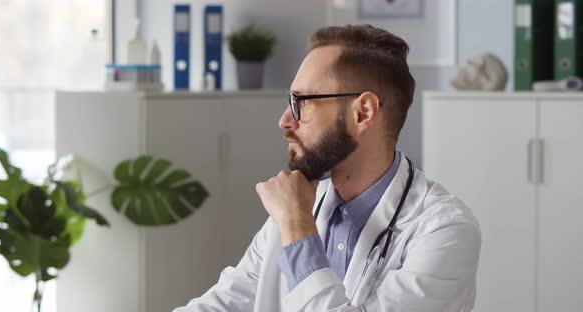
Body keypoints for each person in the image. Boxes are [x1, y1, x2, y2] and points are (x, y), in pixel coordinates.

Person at [173, 24, 481, 312]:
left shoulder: (445, 231)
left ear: (363, 112)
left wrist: (297, 227)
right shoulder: (298, 208)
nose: (285, 120)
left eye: (302, 101)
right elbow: (227, 302)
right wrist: (294, 221)